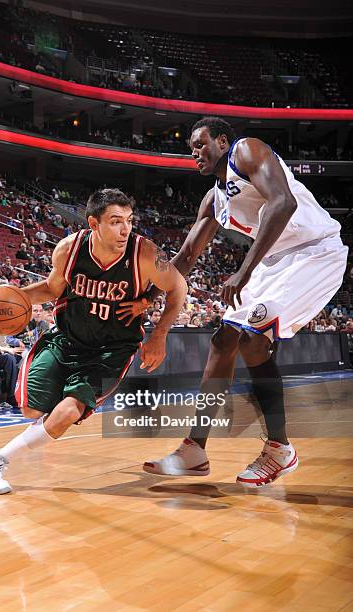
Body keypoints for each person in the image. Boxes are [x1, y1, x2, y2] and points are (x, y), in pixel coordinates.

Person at [118, 117, 348, 487]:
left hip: (315, 253)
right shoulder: (214, 199)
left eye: (199, 144)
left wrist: (243, 270)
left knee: (252, 339)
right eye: (190, 147)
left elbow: (283, 202)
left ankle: (279, 449)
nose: (193, 152)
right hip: (275, 263)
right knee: (223, 340)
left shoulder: (247, 150)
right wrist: (148, 298)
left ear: (223, 141)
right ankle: (195, 450)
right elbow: (187, 256)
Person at [0, 188, 187, 494]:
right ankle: (43, 386)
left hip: (112, 351)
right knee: (32, 411)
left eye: (129, 220)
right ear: (93, 223)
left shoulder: (145, 253)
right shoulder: (68, 250)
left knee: (67, 413)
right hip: (67, 340)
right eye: (115, 221)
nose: (125, 228)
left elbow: (178, 286)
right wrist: (11, 299)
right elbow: (51, 288)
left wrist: (160, 335)